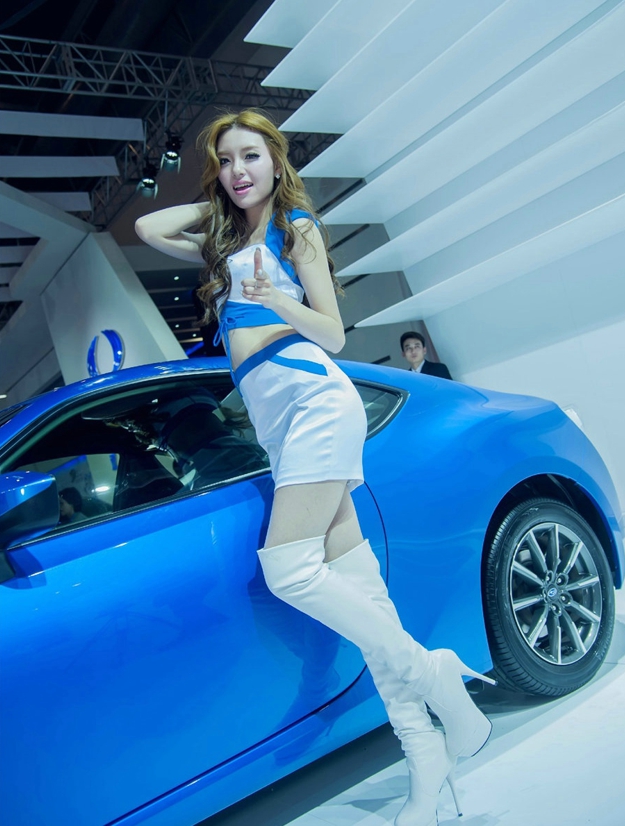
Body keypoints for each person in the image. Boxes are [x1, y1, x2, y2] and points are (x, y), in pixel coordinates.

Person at [135, 109, 493, 825]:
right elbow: (148, 227)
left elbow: (332, 332)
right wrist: (219, 204)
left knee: (288, 569)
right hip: (277, 424)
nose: (238, 170)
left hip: (314, 399)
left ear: (277, 161)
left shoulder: (295, 228)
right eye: (226, 161)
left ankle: (434, 671)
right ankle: (424, 751)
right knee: (364, 590)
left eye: (252, 156)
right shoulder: (227, 242)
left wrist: (276, 301)